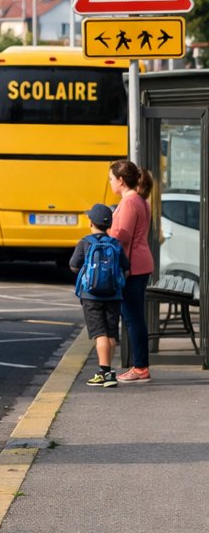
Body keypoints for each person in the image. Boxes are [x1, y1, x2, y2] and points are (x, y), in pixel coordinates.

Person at [70, 203, 129, 388]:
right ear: (109, 225)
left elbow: (74, 265)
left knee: (99, 334)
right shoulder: (116, 244)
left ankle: (105, 373)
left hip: (91, 296)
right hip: (114, 296)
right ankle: (109, 371)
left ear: (91, 222)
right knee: (111, 334)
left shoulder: (85, 242)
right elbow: (126, 269)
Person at [108, 158, 155, 382]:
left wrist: (105, 233)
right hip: (141, 263)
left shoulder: (128, 202)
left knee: (132, 318)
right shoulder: (141, 200)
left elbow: (123, 236)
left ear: (121, 180)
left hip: (132, 267)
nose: (110, 183)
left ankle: (140, 367)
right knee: (135, 317)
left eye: (111, 179)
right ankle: (140, 365)